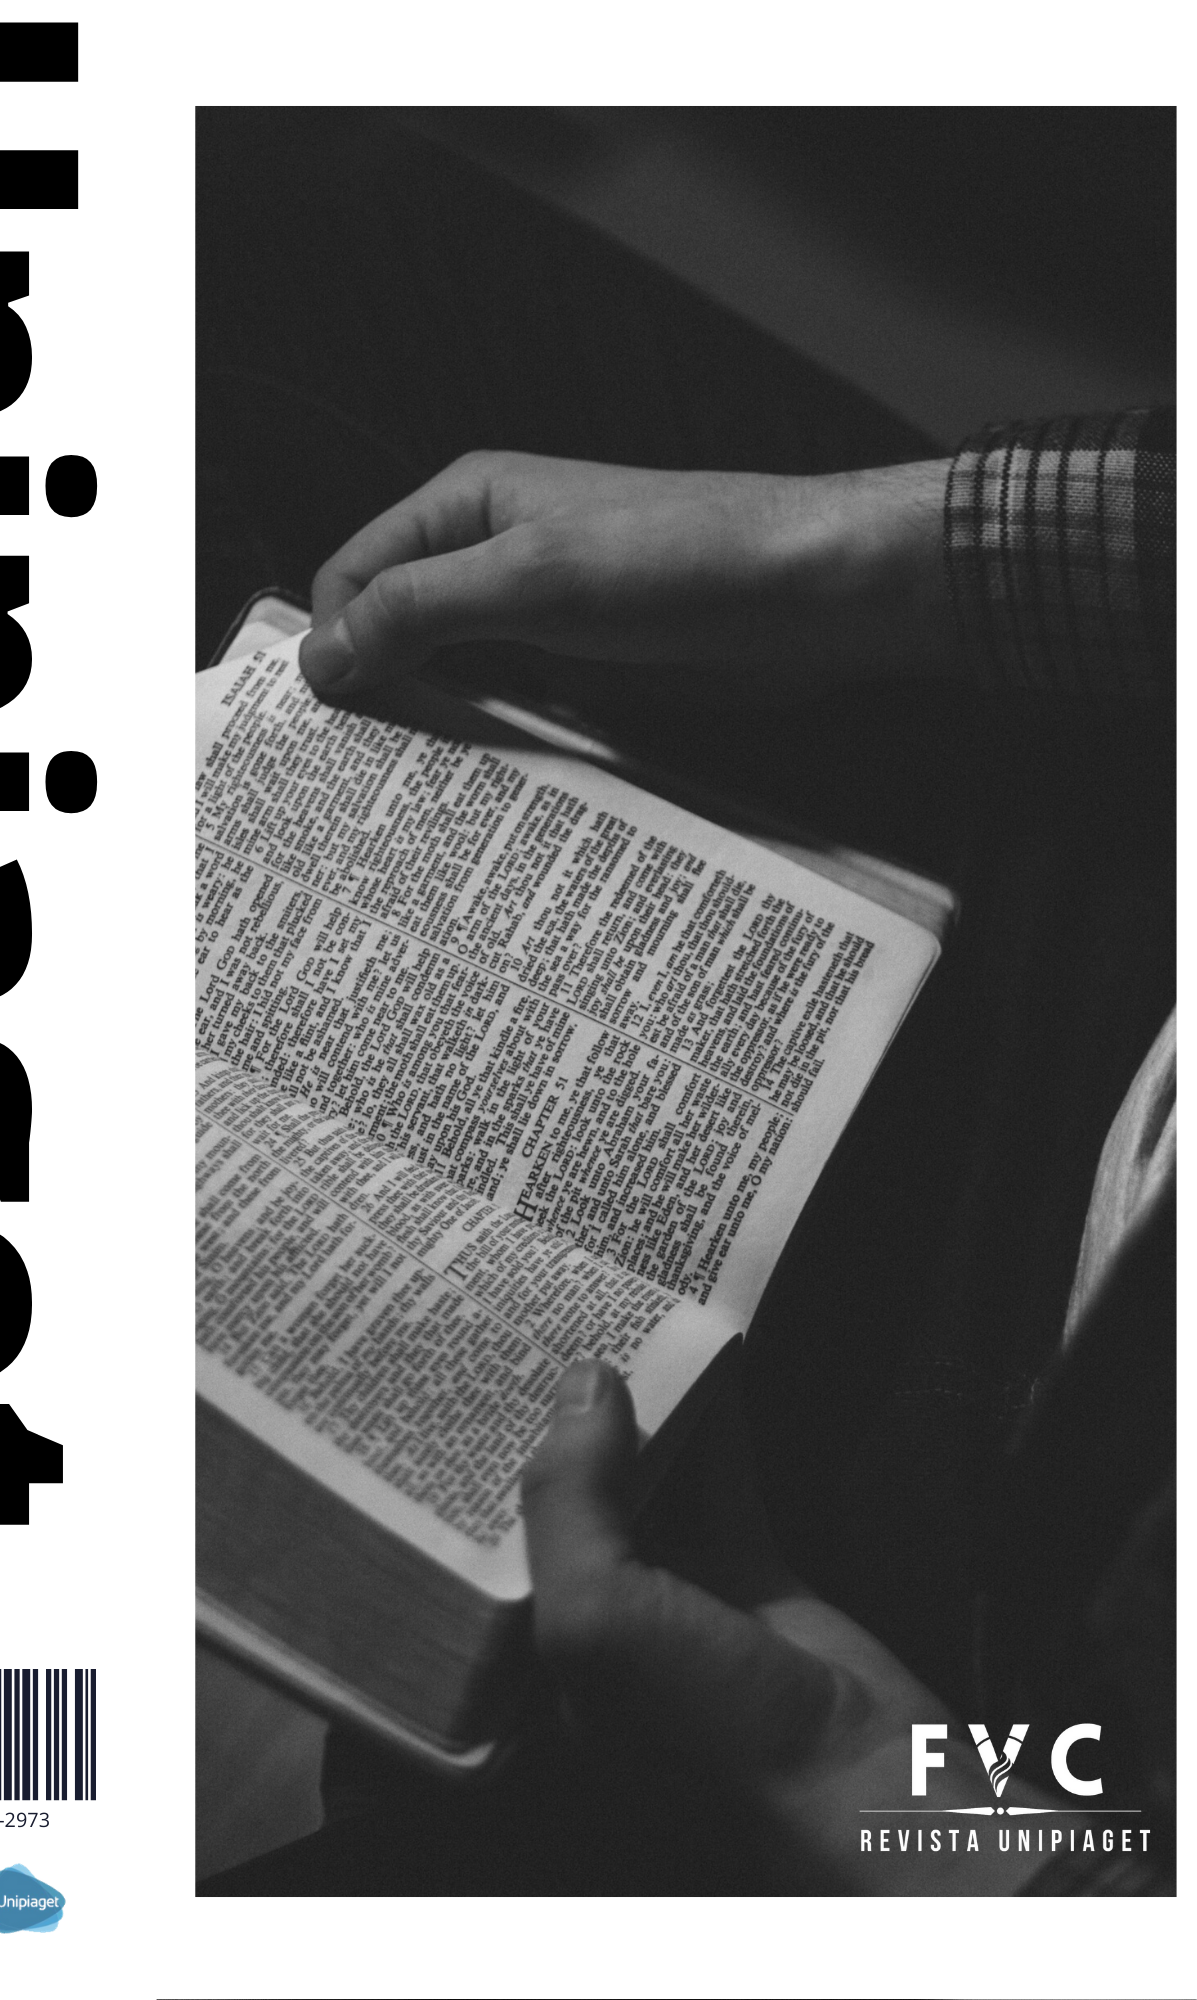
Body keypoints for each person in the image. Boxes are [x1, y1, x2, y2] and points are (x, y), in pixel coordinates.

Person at [197, 111, 1173, 1895]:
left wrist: (861, 1771)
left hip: (1016, 1634)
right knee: (217, 216)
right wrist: (895, 554)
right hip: (1138, 882)